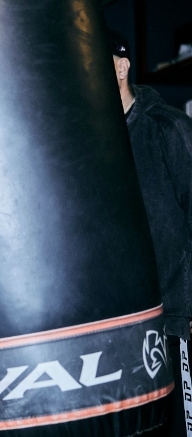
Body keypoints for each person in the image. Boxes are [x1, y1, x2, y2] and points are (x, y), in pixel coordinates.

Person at [110, 28, 192, 436]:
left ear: (121, 67)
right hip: (124, 325)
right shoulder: (95, 142)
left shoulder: (167, 127)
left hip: (175, 320)